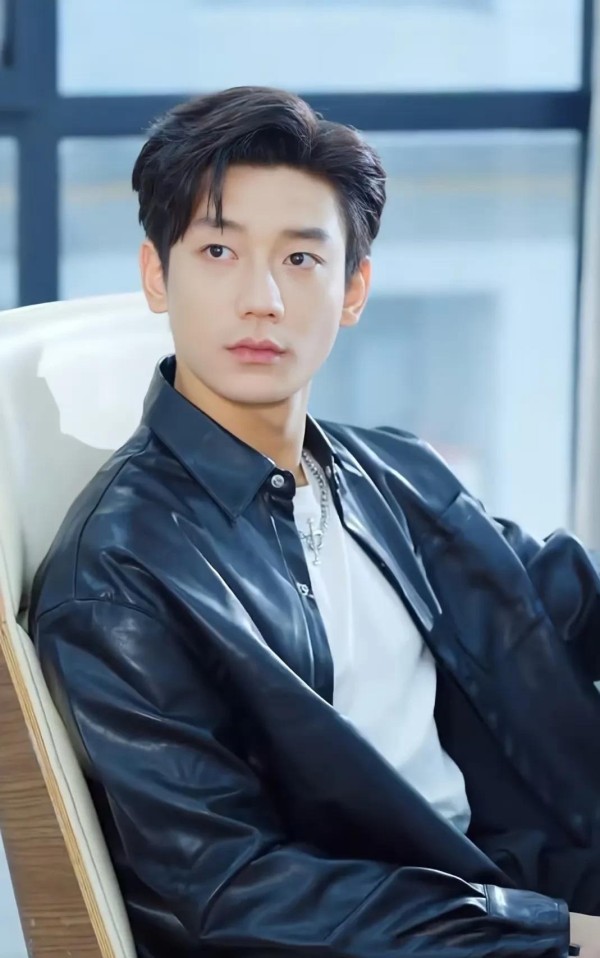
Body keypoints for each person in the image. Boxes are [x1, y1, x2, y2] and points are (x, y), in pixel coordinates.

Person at [29, 85, 600, 958]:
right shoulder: (116, 578)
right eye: (218, 250)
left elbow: (556, 596)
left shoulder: (392, 472)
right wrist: (559, 936)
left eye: (300, 259)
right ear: (156, 275)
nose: (261, 298)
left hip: (529, 875)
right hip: (439, 932)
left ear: (353, 289)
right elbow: (233, 889)